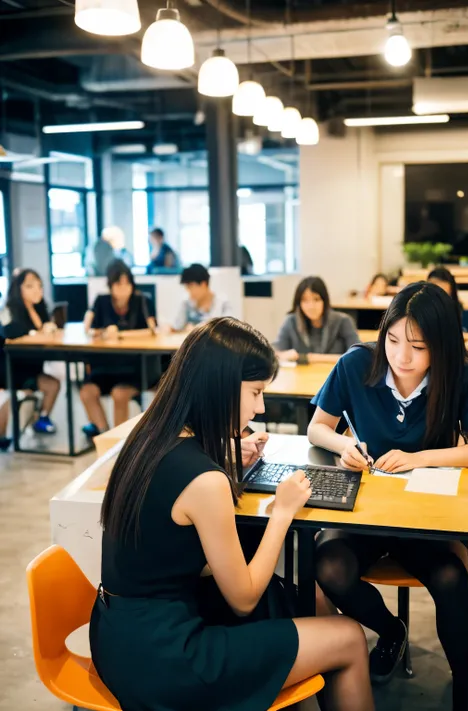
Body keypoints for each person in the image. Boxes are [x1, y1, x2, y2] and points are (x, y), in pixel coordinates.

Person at [89, 317, 374, 711]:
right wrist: (282, 511)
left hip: (115, 634)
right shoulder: (205, 482)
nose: (260, 407)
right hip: (166, 660)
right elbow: (242, 598)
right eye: (255, 392)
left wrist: (220, 456)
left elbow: (173, 506)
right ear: (219, 387)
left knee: (293, 599)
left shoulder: (149, 434)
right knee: (348, 636)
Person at [308, 282, 468, 710]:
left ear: (440, 346)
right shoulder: (356, 365)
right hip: (367, 508)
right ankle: (392, 630)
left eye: (418, 347)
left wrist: (422, 457)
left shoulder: (462, 373)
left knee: (453, 579)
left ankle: (465, 687)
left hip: (426, 514)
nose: (402, 356)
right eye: (394, 339)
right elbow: (317, 427)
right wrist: (345, 446)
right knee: (328, 565)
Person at [80, 260, 157, 437]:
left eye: (127, 283)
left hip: (133, 368)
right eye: (118, 284)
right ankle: (105, 435)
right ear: (110, 285)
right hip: (105, 367)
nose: (124, 288)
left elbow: (152, 330)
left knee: (119, 394)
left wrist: (121, 334)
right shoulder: (101, 301)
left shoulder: (142, 301)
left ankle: (119, 442)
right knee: (86, 392)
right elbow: (88, 328)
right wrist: (102, 332)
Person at [0, 269, 60, 435]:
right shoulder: (10, 309)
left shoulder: (40, 309)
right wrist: (34, 332)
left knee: (54, 384)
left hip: (31, 367)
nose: (37, 290)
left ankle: (42, 418)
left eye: (39, 286)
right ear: (18, 289)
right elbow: (8, 331)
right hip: (11, 370)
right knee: (50, 384)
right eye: (30, 286)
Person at [274, 277, 359, 363]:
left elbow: (357, 355)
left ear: (325, 301)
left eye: (316, 299)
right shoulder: (291, 321)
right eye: (305, 300)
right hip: (301, 375)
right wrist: (283, 355)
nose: (311, 306)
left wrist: (310, 358)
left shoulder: (343, 321)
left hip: (335, 374)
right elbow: (276, 353)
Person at [172, 263, 233, 331]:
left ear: (203, 284)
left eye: (190, 286)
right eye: (187, 287)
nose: (188, 291)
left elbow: (229, 330)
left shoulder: (222, 303)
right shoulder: (186, 303)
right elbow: (176, 327)